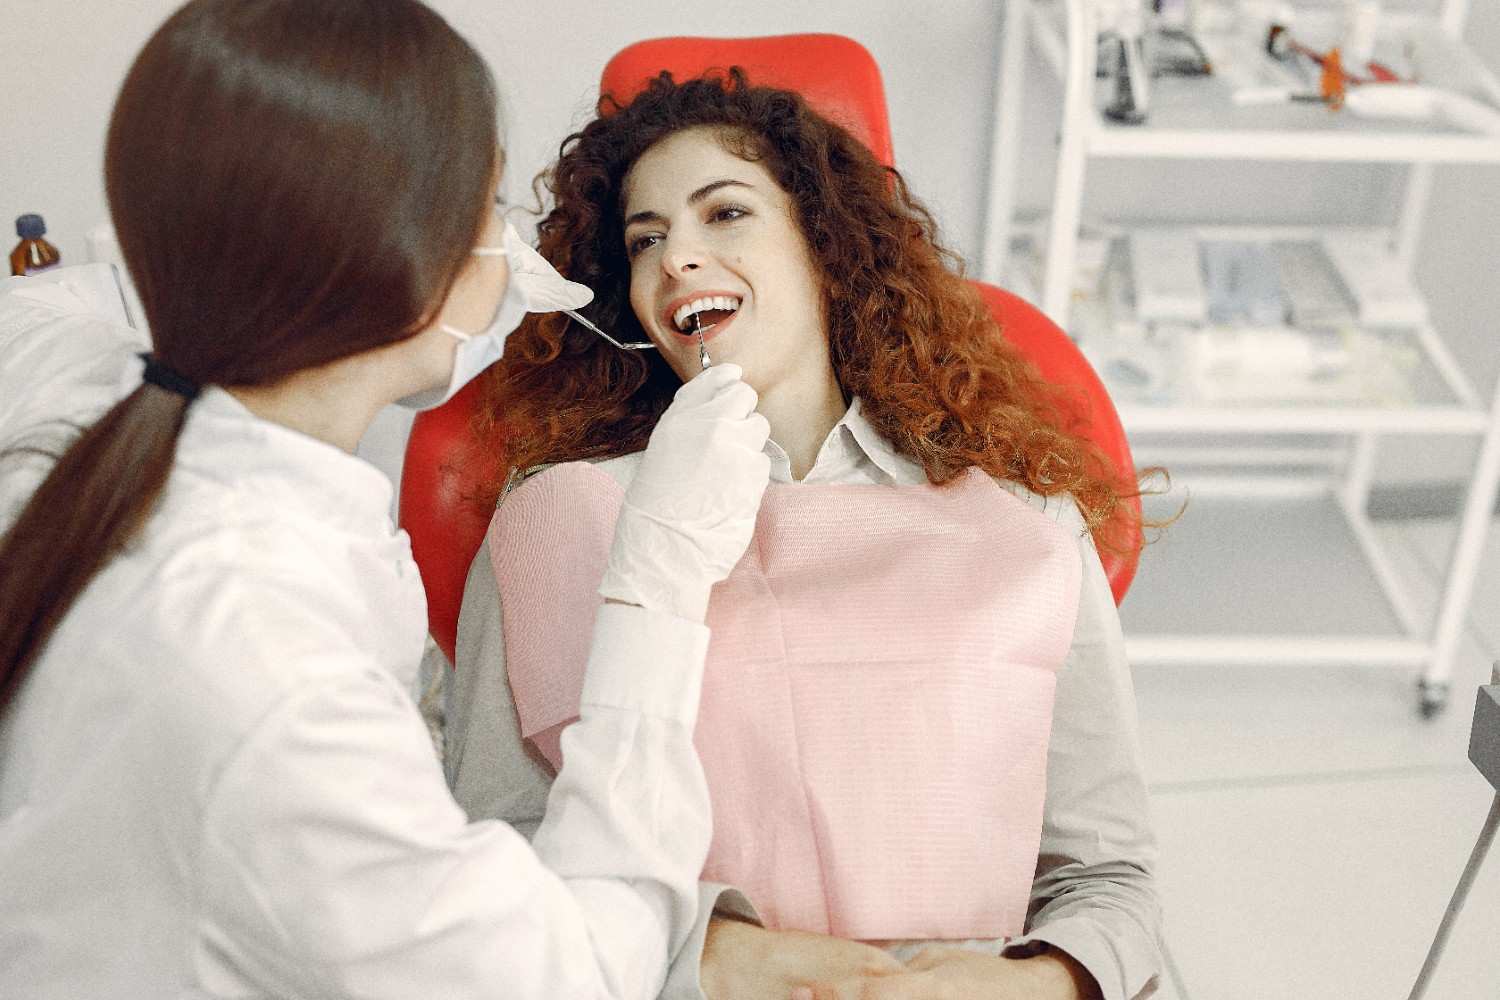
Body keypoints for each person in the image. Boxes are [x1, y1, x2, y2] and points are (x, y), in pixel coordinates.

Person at [0, 4, 774, 998]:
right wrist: (654, 587)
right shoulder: (264, 663)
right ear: (404, 266)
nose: (678, 262)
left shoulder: (131, 449)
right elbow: (563, 976)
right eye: (489, 209)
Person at [445, 70, 1164, 1000]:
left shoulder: (1025, 523)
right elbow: (499, 852)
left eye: (725, 214)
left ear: (824, 245)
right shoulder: (556, 519)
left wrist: (1038, 983)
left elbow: (1109, 882)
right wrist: (712, 954)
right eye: (646, 239)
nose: (677, 258)